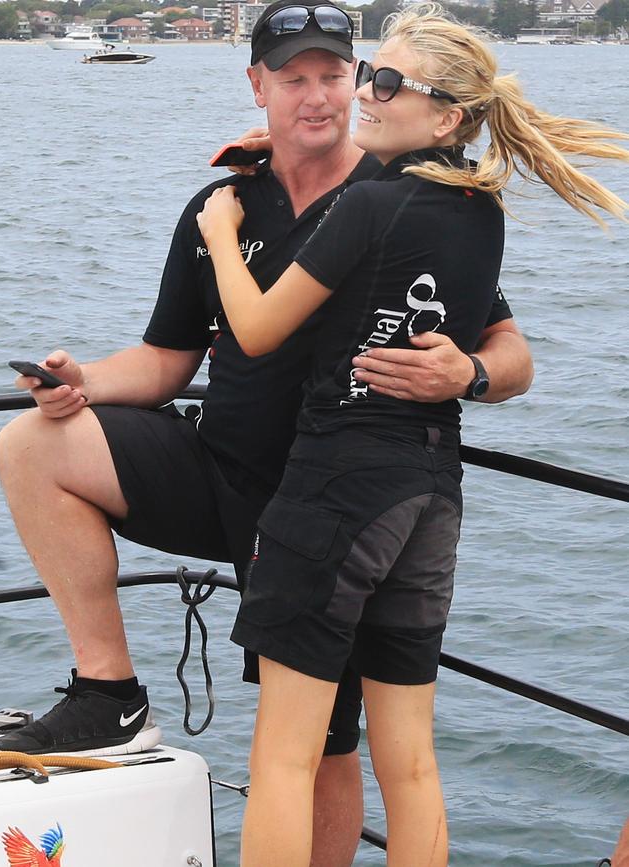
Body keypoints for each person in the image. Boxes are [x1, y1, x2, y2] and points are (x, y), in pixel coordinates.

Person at [0, 3, 534, 864]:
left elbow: (509, 350)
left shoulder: (396, 195)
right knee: (30, 443)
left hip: (327, 502)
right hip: (235, 469)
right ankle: (109, 690)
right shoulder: (227, 201)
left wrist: (466, 373)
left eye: (339, 75)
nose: (320, 97)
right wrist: (86, 381)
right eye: (295, 79)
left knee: (319, 748)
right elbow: (170, 359)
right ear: (259, 85)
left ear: (360, 84)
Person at [196, 5, 629, 866]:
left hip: (334, 488)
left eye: (387, 83)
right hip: (430, 495)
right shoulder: (481, 210)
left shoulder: (372, 208)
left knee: (284, 756)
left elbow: (254, 330)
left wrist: (218, 233)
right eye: (369, 74)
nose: (364, 91)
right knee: (414, 763)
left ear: (447, 115)